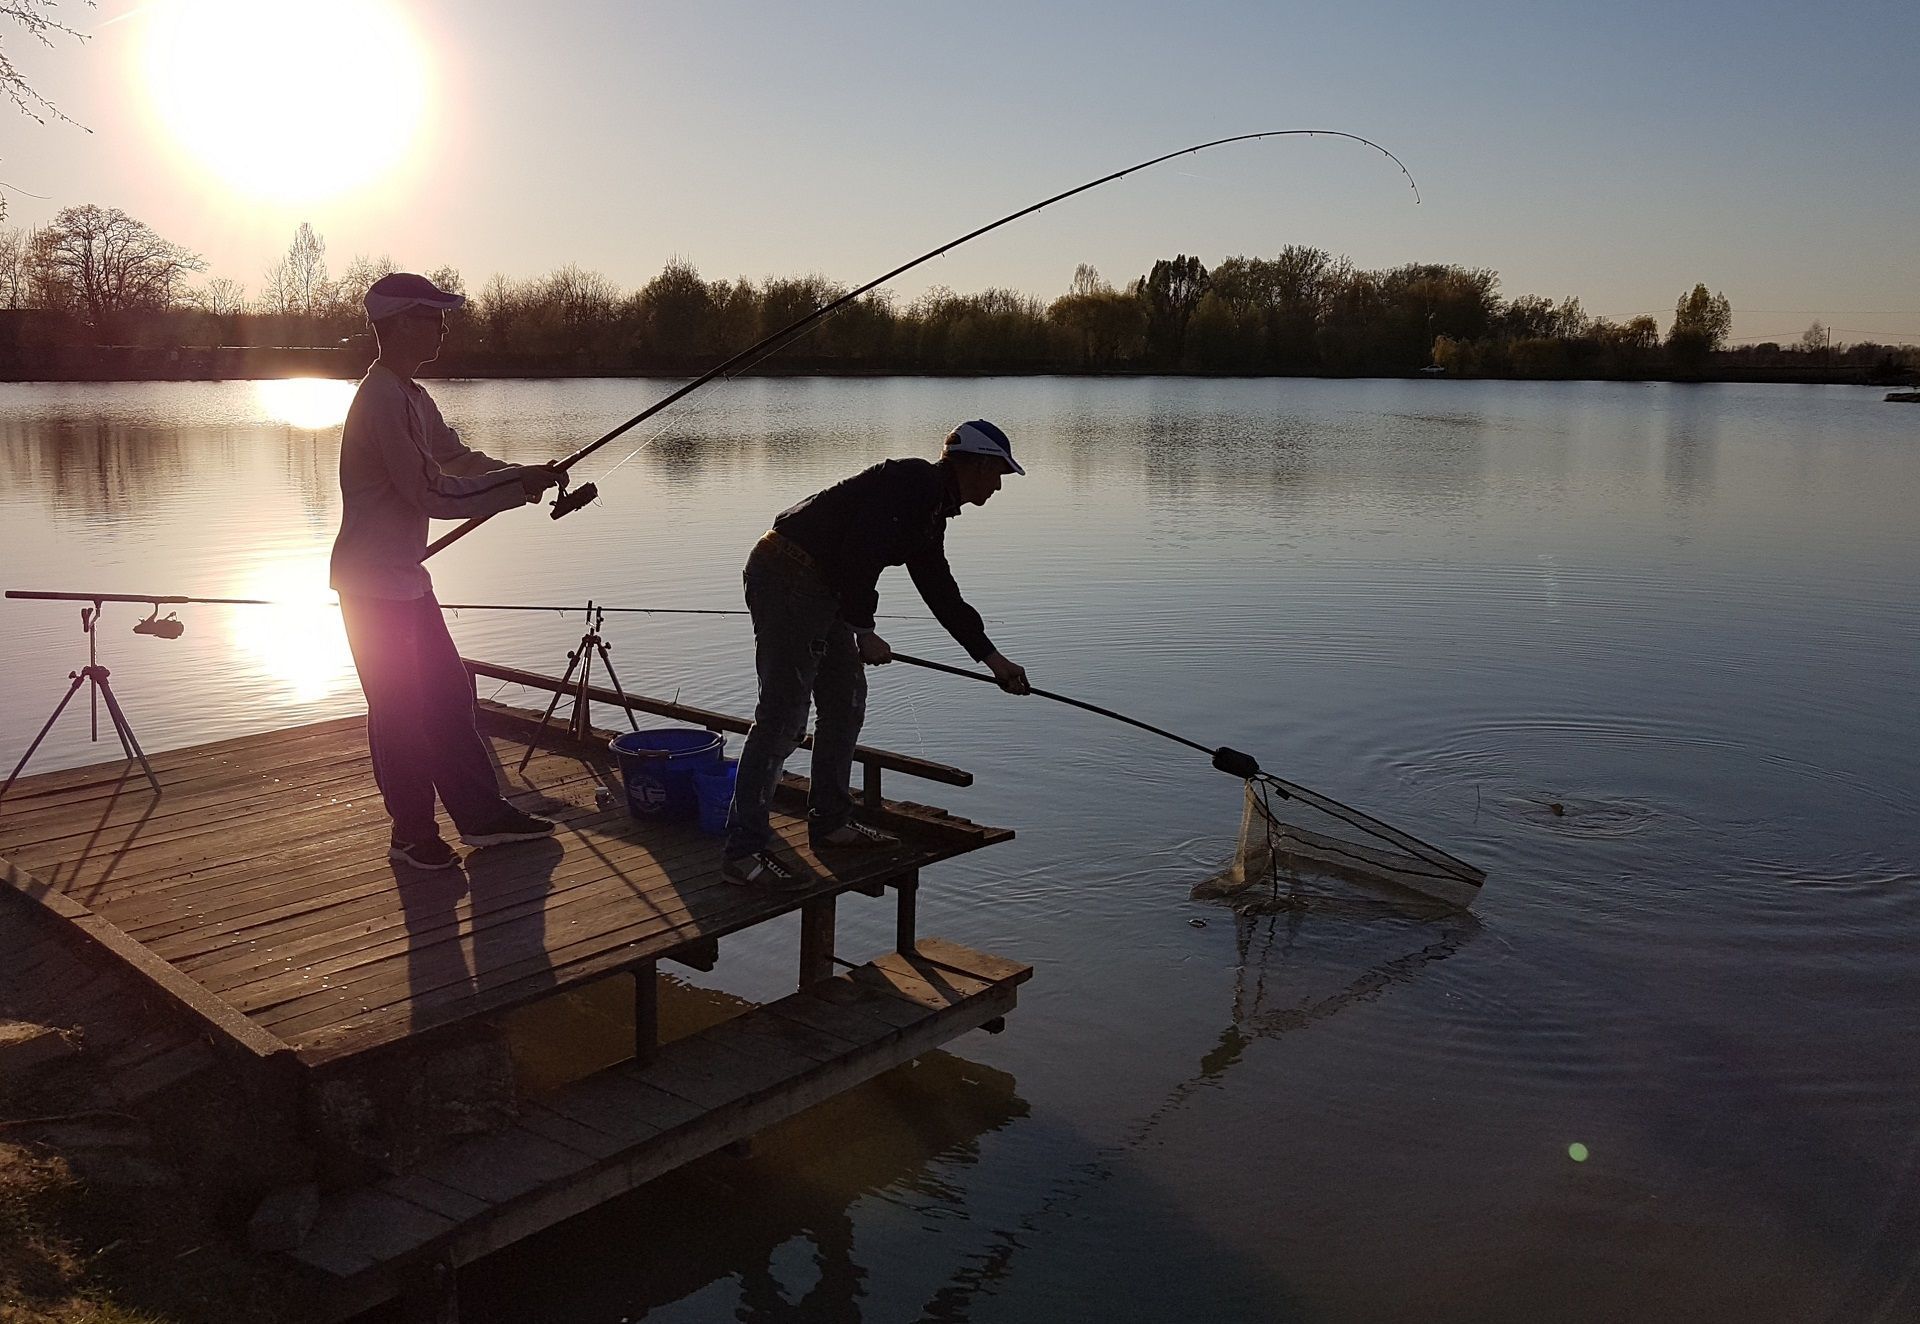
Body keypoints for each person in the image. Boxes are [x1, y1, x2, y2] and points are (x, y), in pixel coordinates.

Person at [722, 419, 1031, 888]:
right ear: (978, 464)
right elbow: (859, 553)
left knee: (845, 702)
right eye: (998, 474)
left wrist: (993, 659)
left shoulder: (931, 510)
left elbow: (939, 590)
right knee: (783, 717)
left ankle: (830, 824)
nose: (998, 486)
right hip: (786, 571)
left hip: (826, 589)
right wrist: (864, 632)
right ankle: (743, 854)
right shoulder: (912, 483)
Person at [330, 271, 565, 870]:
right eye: (432, 316)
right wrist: (512, 487)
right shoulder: (380, 396)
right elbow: (430, 492)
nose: (442, 326)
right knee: (399, 709)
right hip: (371, 586)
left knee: (445, 694)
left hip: (404, 580)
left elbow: (455, 458)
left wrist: (522, 472)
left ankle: (481, 818)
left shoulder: (409, 393)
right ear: (400, 323)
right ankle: (411, 835)